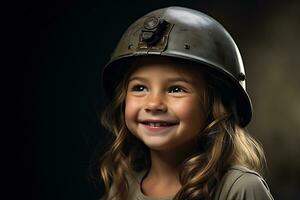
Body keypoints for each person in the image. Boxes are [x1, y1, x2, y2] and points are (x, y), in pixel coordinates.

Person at [99, 6, 274, 200]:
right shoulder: (124, 184)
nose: (153, 104)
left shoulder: (240, 189)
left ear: (215, 106)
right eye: (140, 88)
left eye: (176, 89)